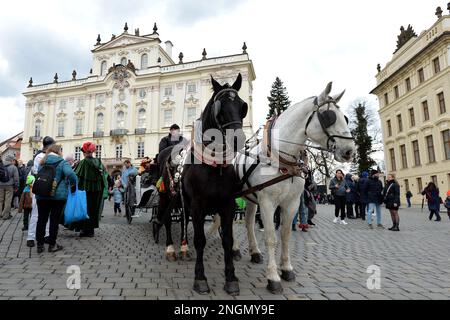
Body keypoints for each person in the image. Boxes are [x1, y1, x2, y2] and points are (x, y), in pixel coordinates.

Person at [35, 144, 78, 253]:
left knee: (41, 219)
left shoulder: (42, 162)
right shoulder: (62, 162)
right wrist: (73, 184)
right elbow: (71, 174)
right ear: (59, 152)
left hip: (42, 194)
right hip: (57, 196)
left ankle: (40, 245)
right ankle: (52, 245)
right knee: (54, 220)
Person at [68, 142, 108, 237]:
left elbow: (76, 176)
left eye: (83, 152)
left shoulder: (84, 162)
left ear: (85, 152)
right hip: (97, 191)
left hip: (85, 191)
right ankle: (91, 231)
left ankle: (84, 230)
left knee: (84, 209)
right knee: (93, 210)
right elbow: (104, 177)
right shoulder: (98, 162)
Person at [26, 136, 55, 247]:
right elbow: (38, 170)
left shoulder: (41, 156)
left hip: (42, 186)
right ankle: (31, 237)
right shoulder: (41, 157)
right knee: (37, 213)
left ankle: (45, 235)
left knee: (44, 213)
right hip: (41, 185)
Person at [0, 155, 19, 220]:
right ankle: (5, 215)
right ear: (12, 160)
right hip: (9, 186)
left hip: (0, 185)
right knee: (8, 201)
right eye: (14, 160)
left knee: (0, 200)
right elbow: (16, 178)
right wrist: (16, 186)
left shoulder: (1, 165)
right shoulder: (13, 167)